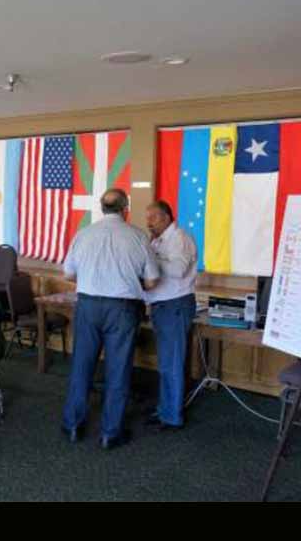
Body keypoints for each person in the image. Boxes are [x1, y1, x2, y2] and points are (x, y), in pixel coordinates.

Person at [60, 189, 160, 450]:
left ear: (102, 209)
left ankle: (73, 425)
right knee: (118, 369)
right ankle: (110, 433)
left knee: (81, 365)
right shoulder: (138, 236)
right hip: (122, 309)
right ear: (125, 209)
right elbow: (152, 280)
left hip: (88, 305)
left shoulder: (83, 234)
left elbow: (69, 275)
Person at [143, 200, 198, 431]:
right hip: (162, 305)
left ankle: (172, 417)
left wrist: (150, 259)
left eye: (152, 218)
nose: (148, 223)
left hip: (174, 305)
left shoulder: (180, 239)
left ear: (166, 217)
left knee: (172, 363)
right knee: (166, 362)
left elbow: (177, 270)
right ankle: (166, 408)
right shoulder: (158, 240)